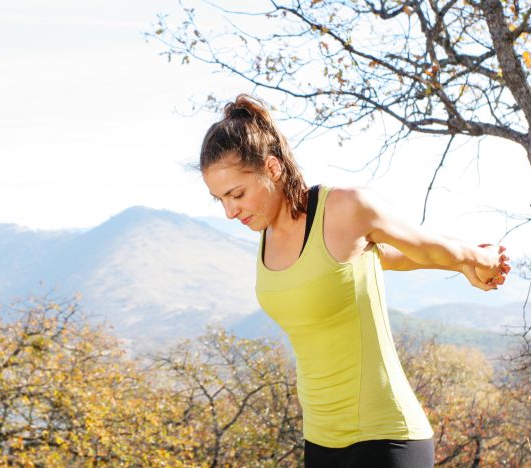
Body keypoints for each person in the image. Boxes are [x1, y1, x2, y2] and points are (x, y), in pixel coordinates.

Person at [199, 94, 510, 468]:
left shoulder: (344, 208)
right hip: (321, 441)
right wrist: (459, 268)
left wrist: (478, 260)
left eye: (237, 194)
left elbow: (424, 246)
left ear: (273, 168)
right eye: (220, 200)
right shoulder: (266, 235)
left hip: (385, 438)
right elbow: (375, 260)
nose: (230, 211)